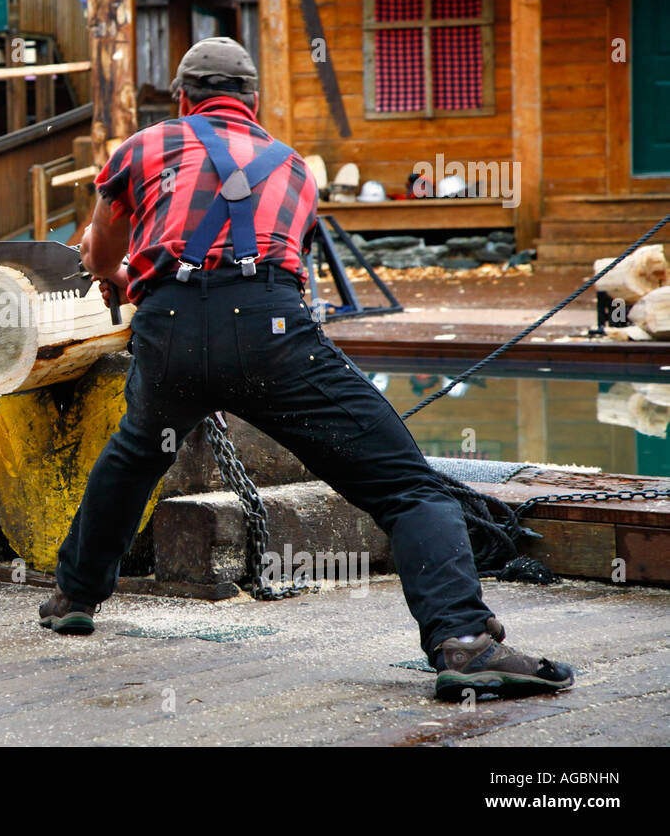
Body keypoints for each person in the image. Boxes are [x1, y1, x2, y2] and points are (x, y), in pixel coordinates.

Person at [38, 38, 574, 702]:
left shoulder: (143, 147)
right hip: (267, 330)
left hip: (169, 329)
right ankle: (463, 641)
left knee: (137, 451)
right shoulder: (291, 166)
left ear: (182, 98)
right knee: (410, 490)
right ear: (253, 104)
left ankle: (74, 596)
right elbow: (282, 258)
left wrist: (121, 277)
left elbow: (102, 250)